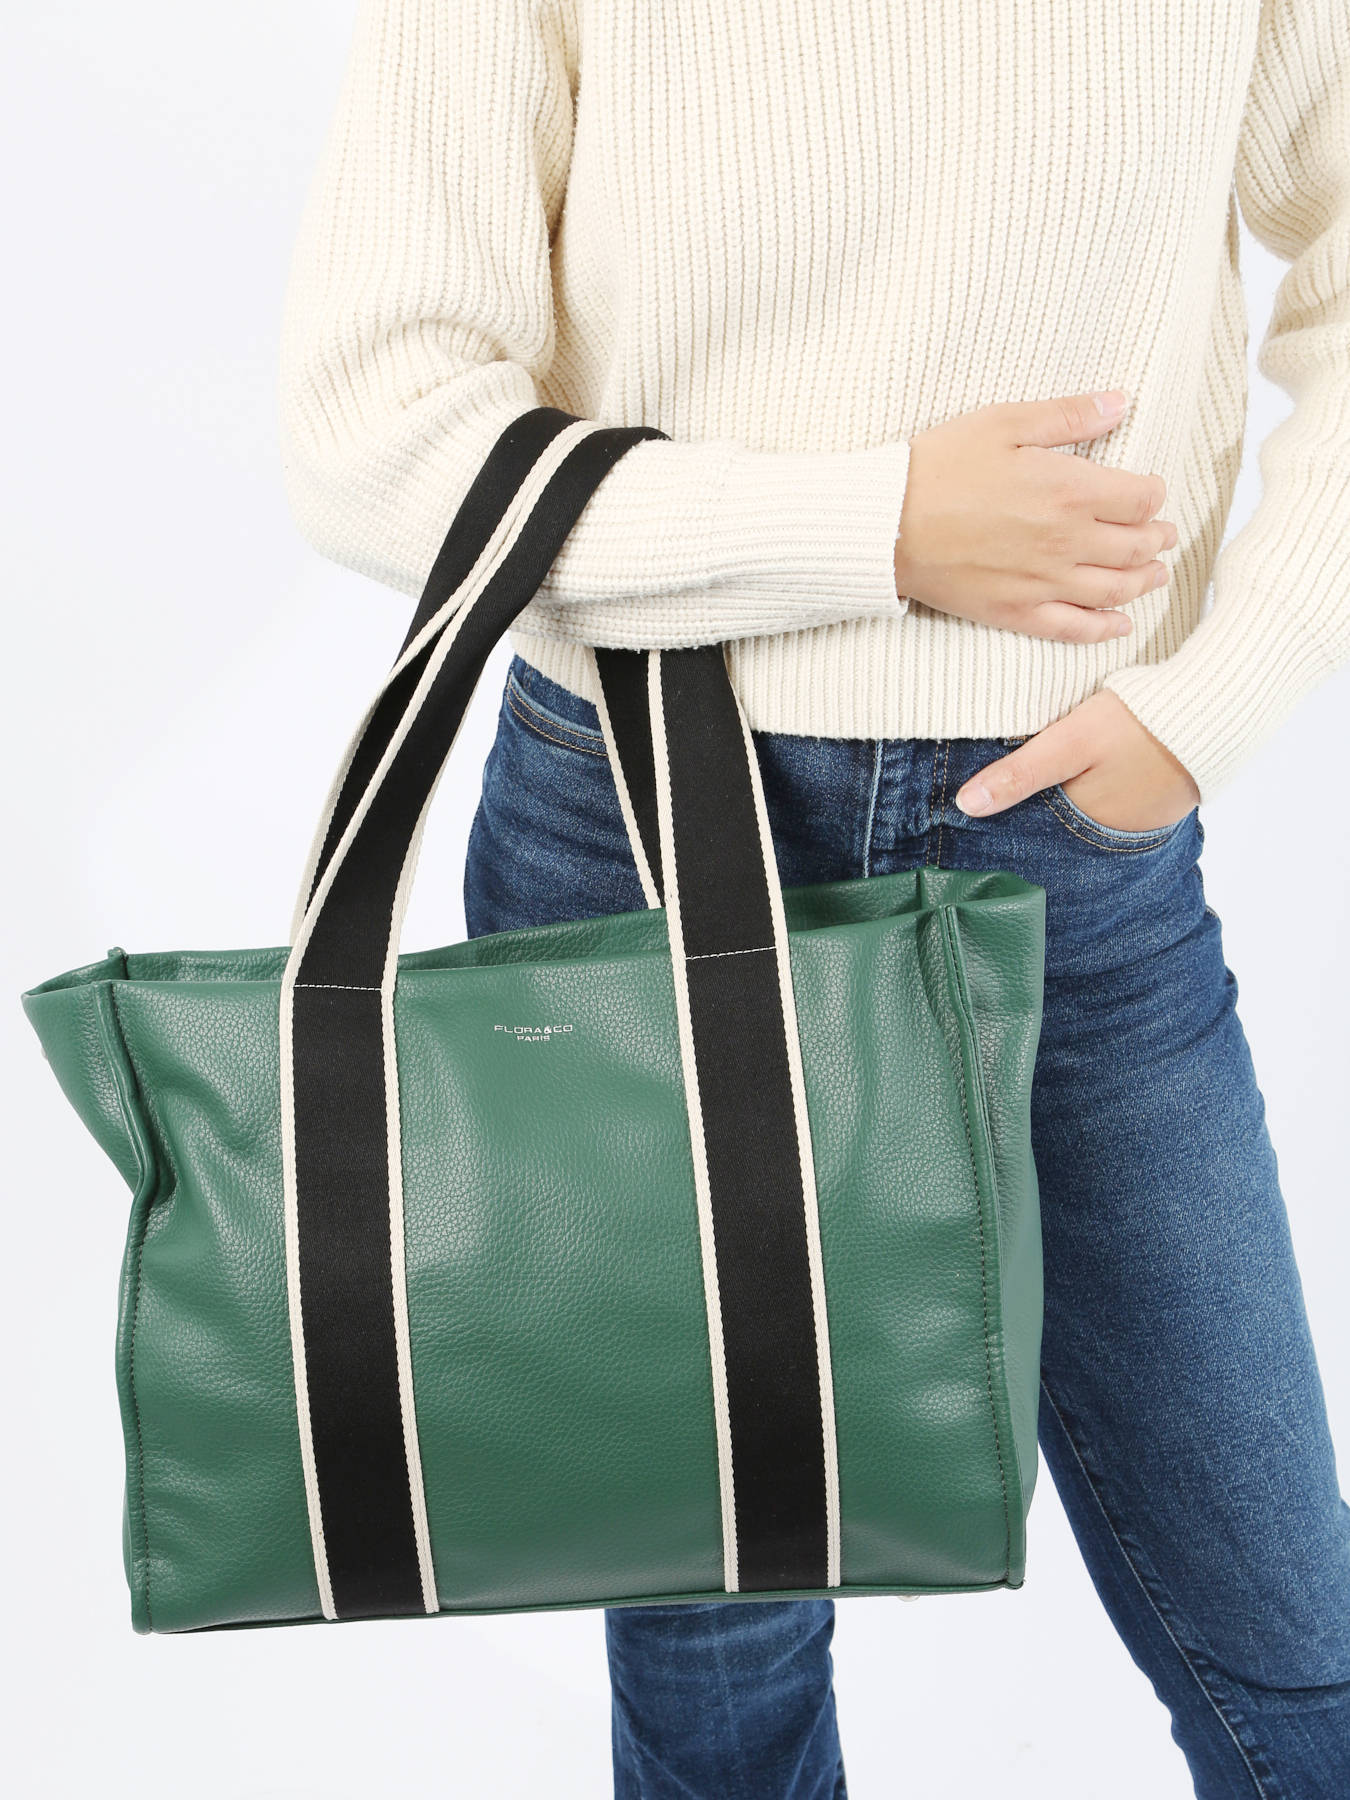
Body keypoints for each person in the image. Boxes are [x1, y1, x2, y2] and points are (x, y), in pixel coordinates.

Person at [277, 3, 1350, 1793]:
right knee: (717, 1664)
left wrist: (1217, 696)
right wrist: (875, 525)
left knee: (1295, 1646)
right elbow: (367, 418)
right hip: (630, 817)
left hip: (1064, 843)